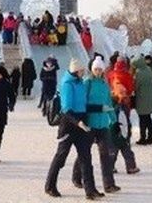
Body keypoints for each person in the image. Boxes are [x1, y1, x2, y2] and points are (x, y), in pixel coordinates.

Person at [44, 58, 104, 199]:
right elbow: (66, 109)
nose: (84, 72)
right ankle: (50, 186)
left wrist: (100, 108)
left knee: (86, 158)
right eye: (82, 70)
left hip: (81, 124)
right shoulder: (67, 84)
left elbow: (83, 105)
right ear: (76, 71)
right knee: (61, 157)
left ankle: (90, 190)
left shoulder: (80, 83)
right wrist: (78, 122)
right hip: (69, 125)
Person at [73, 58, 120, 193]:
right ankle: (77, 176)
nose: (98, 72)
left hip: (103, 124)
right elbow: (83, 104)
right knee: (84, 152)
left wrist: (114, 120)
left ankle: (109, 184)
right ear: (92, 70)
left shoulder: (105, 84)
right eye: (96, 69)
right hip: (90, 123)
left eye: (100, 69)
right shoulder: (87, 83)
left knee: (106, 154)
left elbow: (109, 104)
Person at [131, 55, 152, 145]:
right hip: (150, 96)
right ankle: (150, 136)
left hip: (142, 97)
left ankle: (142, 137)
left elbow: (136, 86)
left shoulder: (139, 72)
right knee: (148, 117)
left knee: (142, 118)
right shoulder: (148, 69)